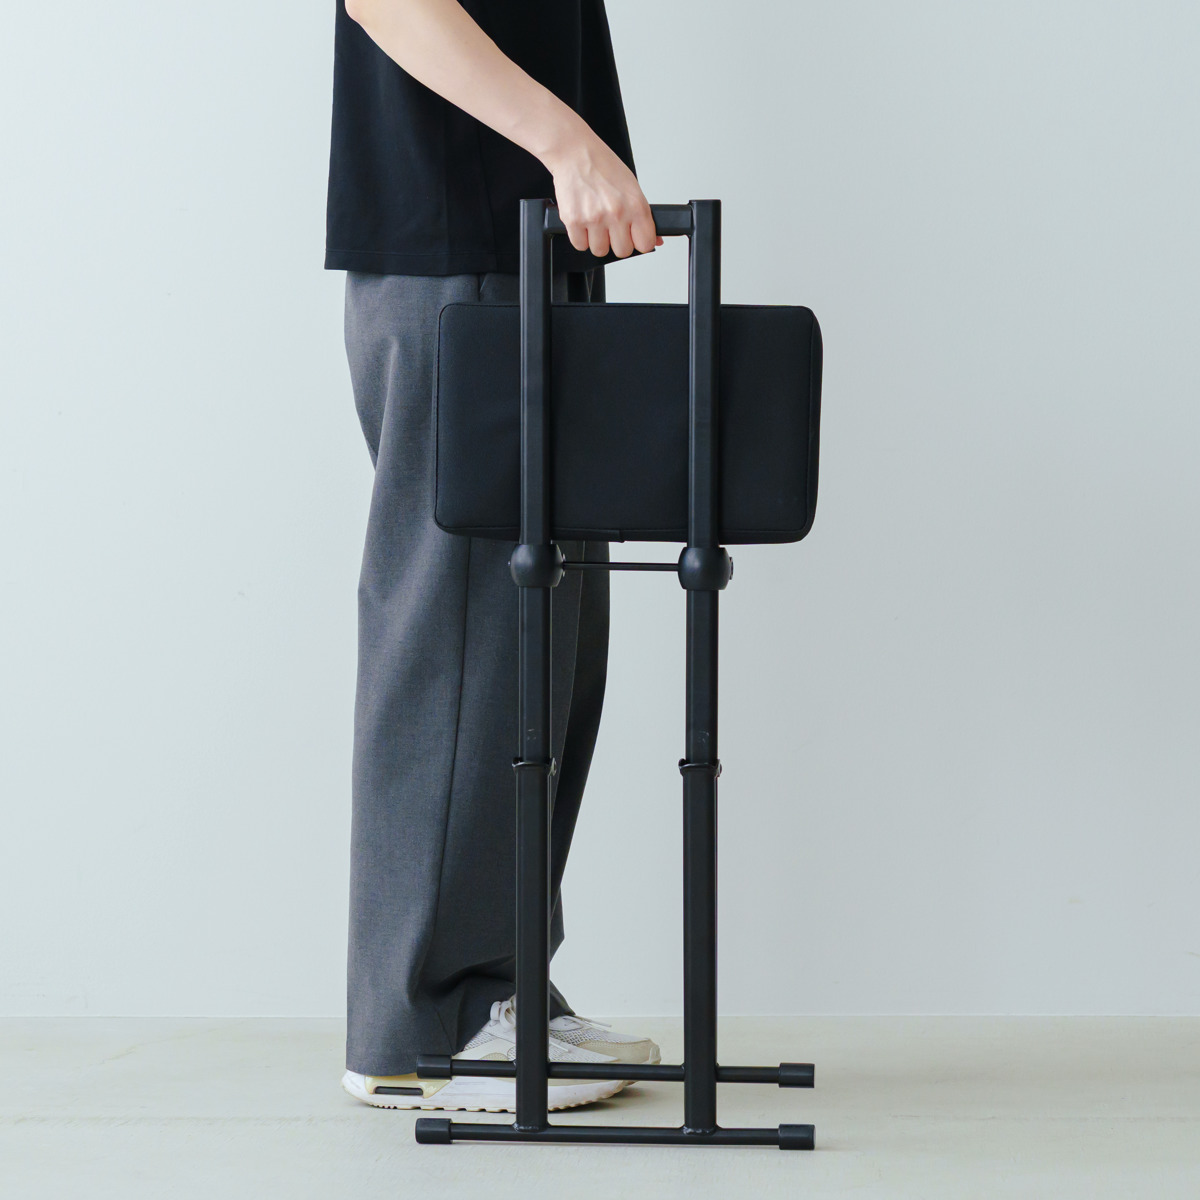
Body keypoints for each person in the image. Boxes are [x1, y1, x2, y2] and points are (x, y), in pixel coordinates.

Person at [325, 0, 663, 1111]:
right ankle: (423, 1028)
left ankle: (501, 986)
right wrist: (568, 144)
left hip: (530, 246)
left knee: (545, 645)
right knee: (461, 641)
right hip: (461, 248)